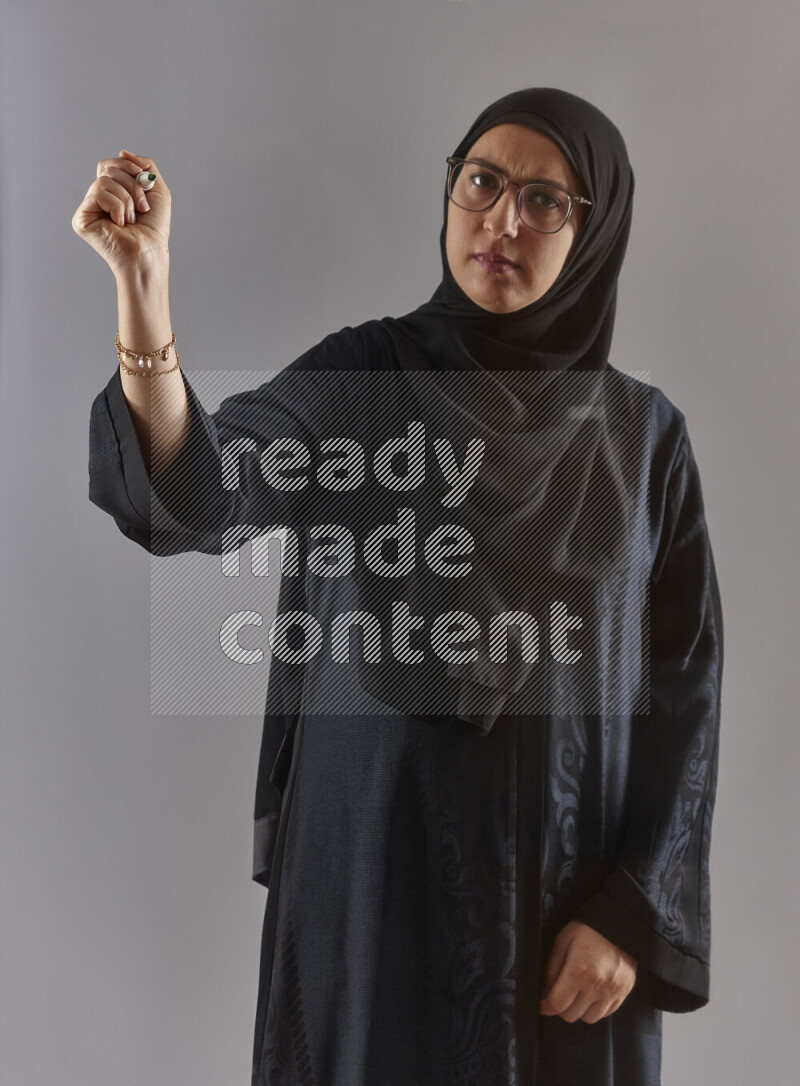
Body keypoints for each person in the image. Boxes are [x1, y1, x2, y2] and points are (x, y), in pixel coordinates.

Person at [74, 87, 724, 1086]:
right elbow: (208, 490)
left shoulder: (642, 441)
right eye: (481, 181)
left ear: (594, 233)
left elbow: (683, 688)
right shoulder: (365, 381)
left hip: (562, 916)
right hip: (373, 881)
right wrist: (145, 298)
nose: (501, 220)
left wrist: (632, 911)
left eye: (544, 201)